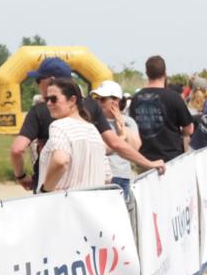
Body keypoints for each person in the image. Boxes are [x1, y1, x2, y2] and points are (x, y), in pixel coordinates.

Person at [10, 57, 164, 192]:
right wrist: (148, 163)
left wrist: (22, 176)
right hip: (89, 191)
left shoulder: (44, 113)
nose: (37, 85)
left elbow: (17, 149)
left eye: (38, 80)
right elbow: (116, 144)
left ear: (51, 80)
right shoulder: (92, 110)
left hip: (54, 188)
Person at [37, 78, 111, 192]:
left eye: (53, 99)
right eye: (47, 99)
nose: (48, 103)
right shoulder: (93, 131)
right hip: (93, 200)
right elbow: (107, 176)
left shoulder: (59, 126)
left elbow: (60, 161)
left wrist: (45, 190)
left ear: (72, 100)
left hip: (63, 201)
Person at [129, 55, 194, 162]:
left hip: (144, 160)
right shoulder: (174, 97)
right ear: (165, 73)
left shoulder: (136, 98)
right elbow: (189, 129)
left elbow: (132, 128)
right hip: (171, 160)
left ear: (147, 73)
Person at [92, 79, 141, 199]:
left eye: (102, 99)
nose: (98, 102)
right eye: (96, 99)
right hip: (100, 177)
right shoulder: (92, 122)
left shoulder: (129, 121)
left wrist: (122, 124)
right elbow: (100, 150)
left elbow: (136, 147)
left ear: (116, 101)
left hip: (122, 176)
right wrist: (121, 138)